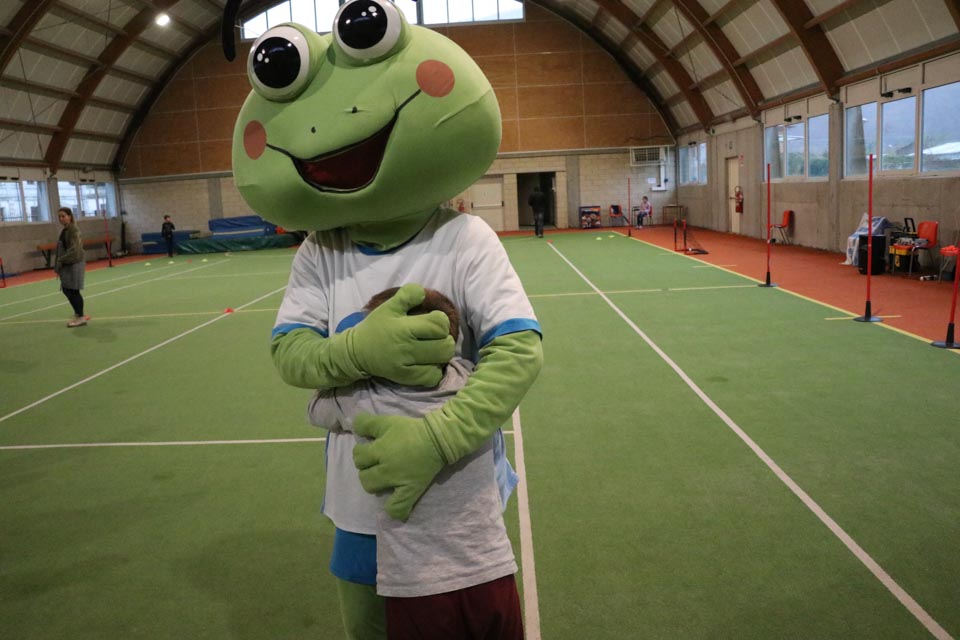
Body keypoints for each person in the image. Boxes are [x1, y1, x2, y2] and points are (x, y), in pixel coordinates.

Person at [307, 287, 521, 639]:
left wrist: (355, 354)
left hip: (417, 584)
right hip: (491, 571)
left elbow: (316, 407)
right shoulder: (471, 381)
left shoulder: (360, 398)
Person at [55, 207, 87, 328]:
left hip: (74, 262)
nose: (61, 219)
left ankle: (80, 317)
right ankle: (79, 315)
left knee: (72, 290)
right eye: (59, 217)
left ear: (70, 216)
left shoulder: (73, 230)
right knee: (68, 289)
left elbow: (75, 249)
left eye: (63, 216)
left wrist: (61, 259)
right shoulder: (65, 230)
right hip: (68, 263)